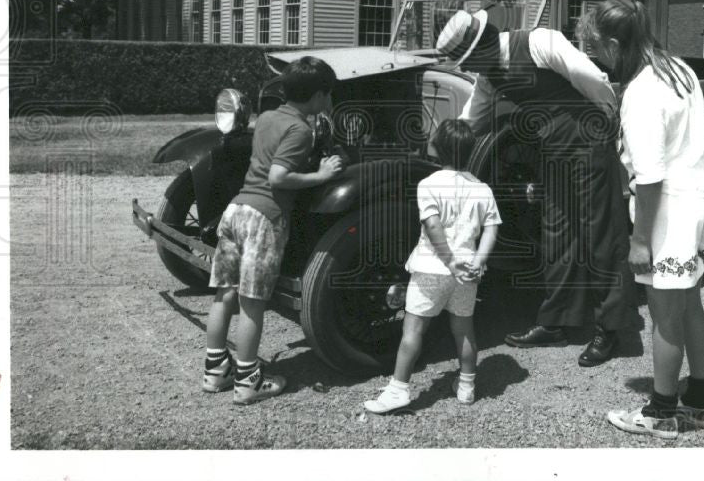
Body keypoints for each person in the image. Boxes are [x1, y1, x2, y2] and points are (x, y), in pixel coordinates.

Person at [434, 3, 633, 367]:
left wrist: (609, 129)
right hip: (552, 153)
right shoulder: (490, 75)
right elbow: (472, 120)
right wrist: (442, 150)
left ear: (482, 46)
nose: (465, 69)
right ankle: (556, 322)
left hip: (588, 143)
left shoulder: (540, 42)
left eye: (467, 60)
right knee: (557, 234)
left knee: (601, 236)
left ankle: (611, 328)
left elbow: (592, 81)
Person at [577, 0, 704, 440]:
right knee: (691, 305)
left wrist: (640, 241)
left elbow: (650, 176)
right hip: (702, 194)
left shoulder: (641, 92)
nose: (595, 58)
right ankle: (700, 401)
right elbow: (703, 135)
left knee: (665, 316)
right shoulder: (679, 68)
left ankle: (660, 412)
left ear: (615, 43)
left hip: (670, 207)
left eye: (596, 48)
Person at [203, 56, 345, 405]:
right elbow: (278, 177)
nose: (330, 100)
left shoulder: (267, 117)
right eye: (328, 94)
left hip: (236, 211)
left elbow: (266, 161)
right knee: (253, 304)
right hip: (264, 218)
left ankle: (215, 370)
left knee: (225, 295)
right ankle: (248, 381)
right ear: (317, 97)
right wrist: (322, 176)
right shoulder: (301, 129)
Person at [364, 119, 501, 413]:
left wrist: (449, 261)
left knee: (413, 330)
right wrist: (477, 262)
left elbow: (433, 225)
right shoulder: (483, 189)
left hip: (432, 267)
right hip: (467, 271)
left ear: (437, 149)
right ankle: (466, 387)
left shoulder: (428, 183)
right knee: (464, 329)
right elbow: (491, 229)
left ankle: (398, 389)